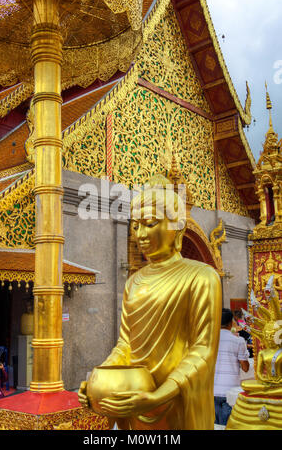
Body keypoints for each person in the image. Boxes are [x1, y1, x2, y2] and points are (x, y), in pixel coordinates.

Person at [79, 175, 222, 430]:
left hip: (177, 401)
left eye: (150, 223)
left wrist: (160, 395)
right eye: (136, 226)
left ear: (176, 227)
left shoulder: (202, 277)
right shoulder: (134, 281)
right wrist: (99, 382)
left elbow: (203, 350)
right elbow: (126, 345)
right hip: (135, 398)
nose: (140, 235)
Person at [214, 309, 250, 426]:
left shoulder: (210, 341)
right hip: (229, 390)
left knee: (215, 426)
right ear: (231, 323)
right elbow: (245, 368)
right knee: (228, 426)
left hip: (212, 390)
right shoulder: (238, 341)